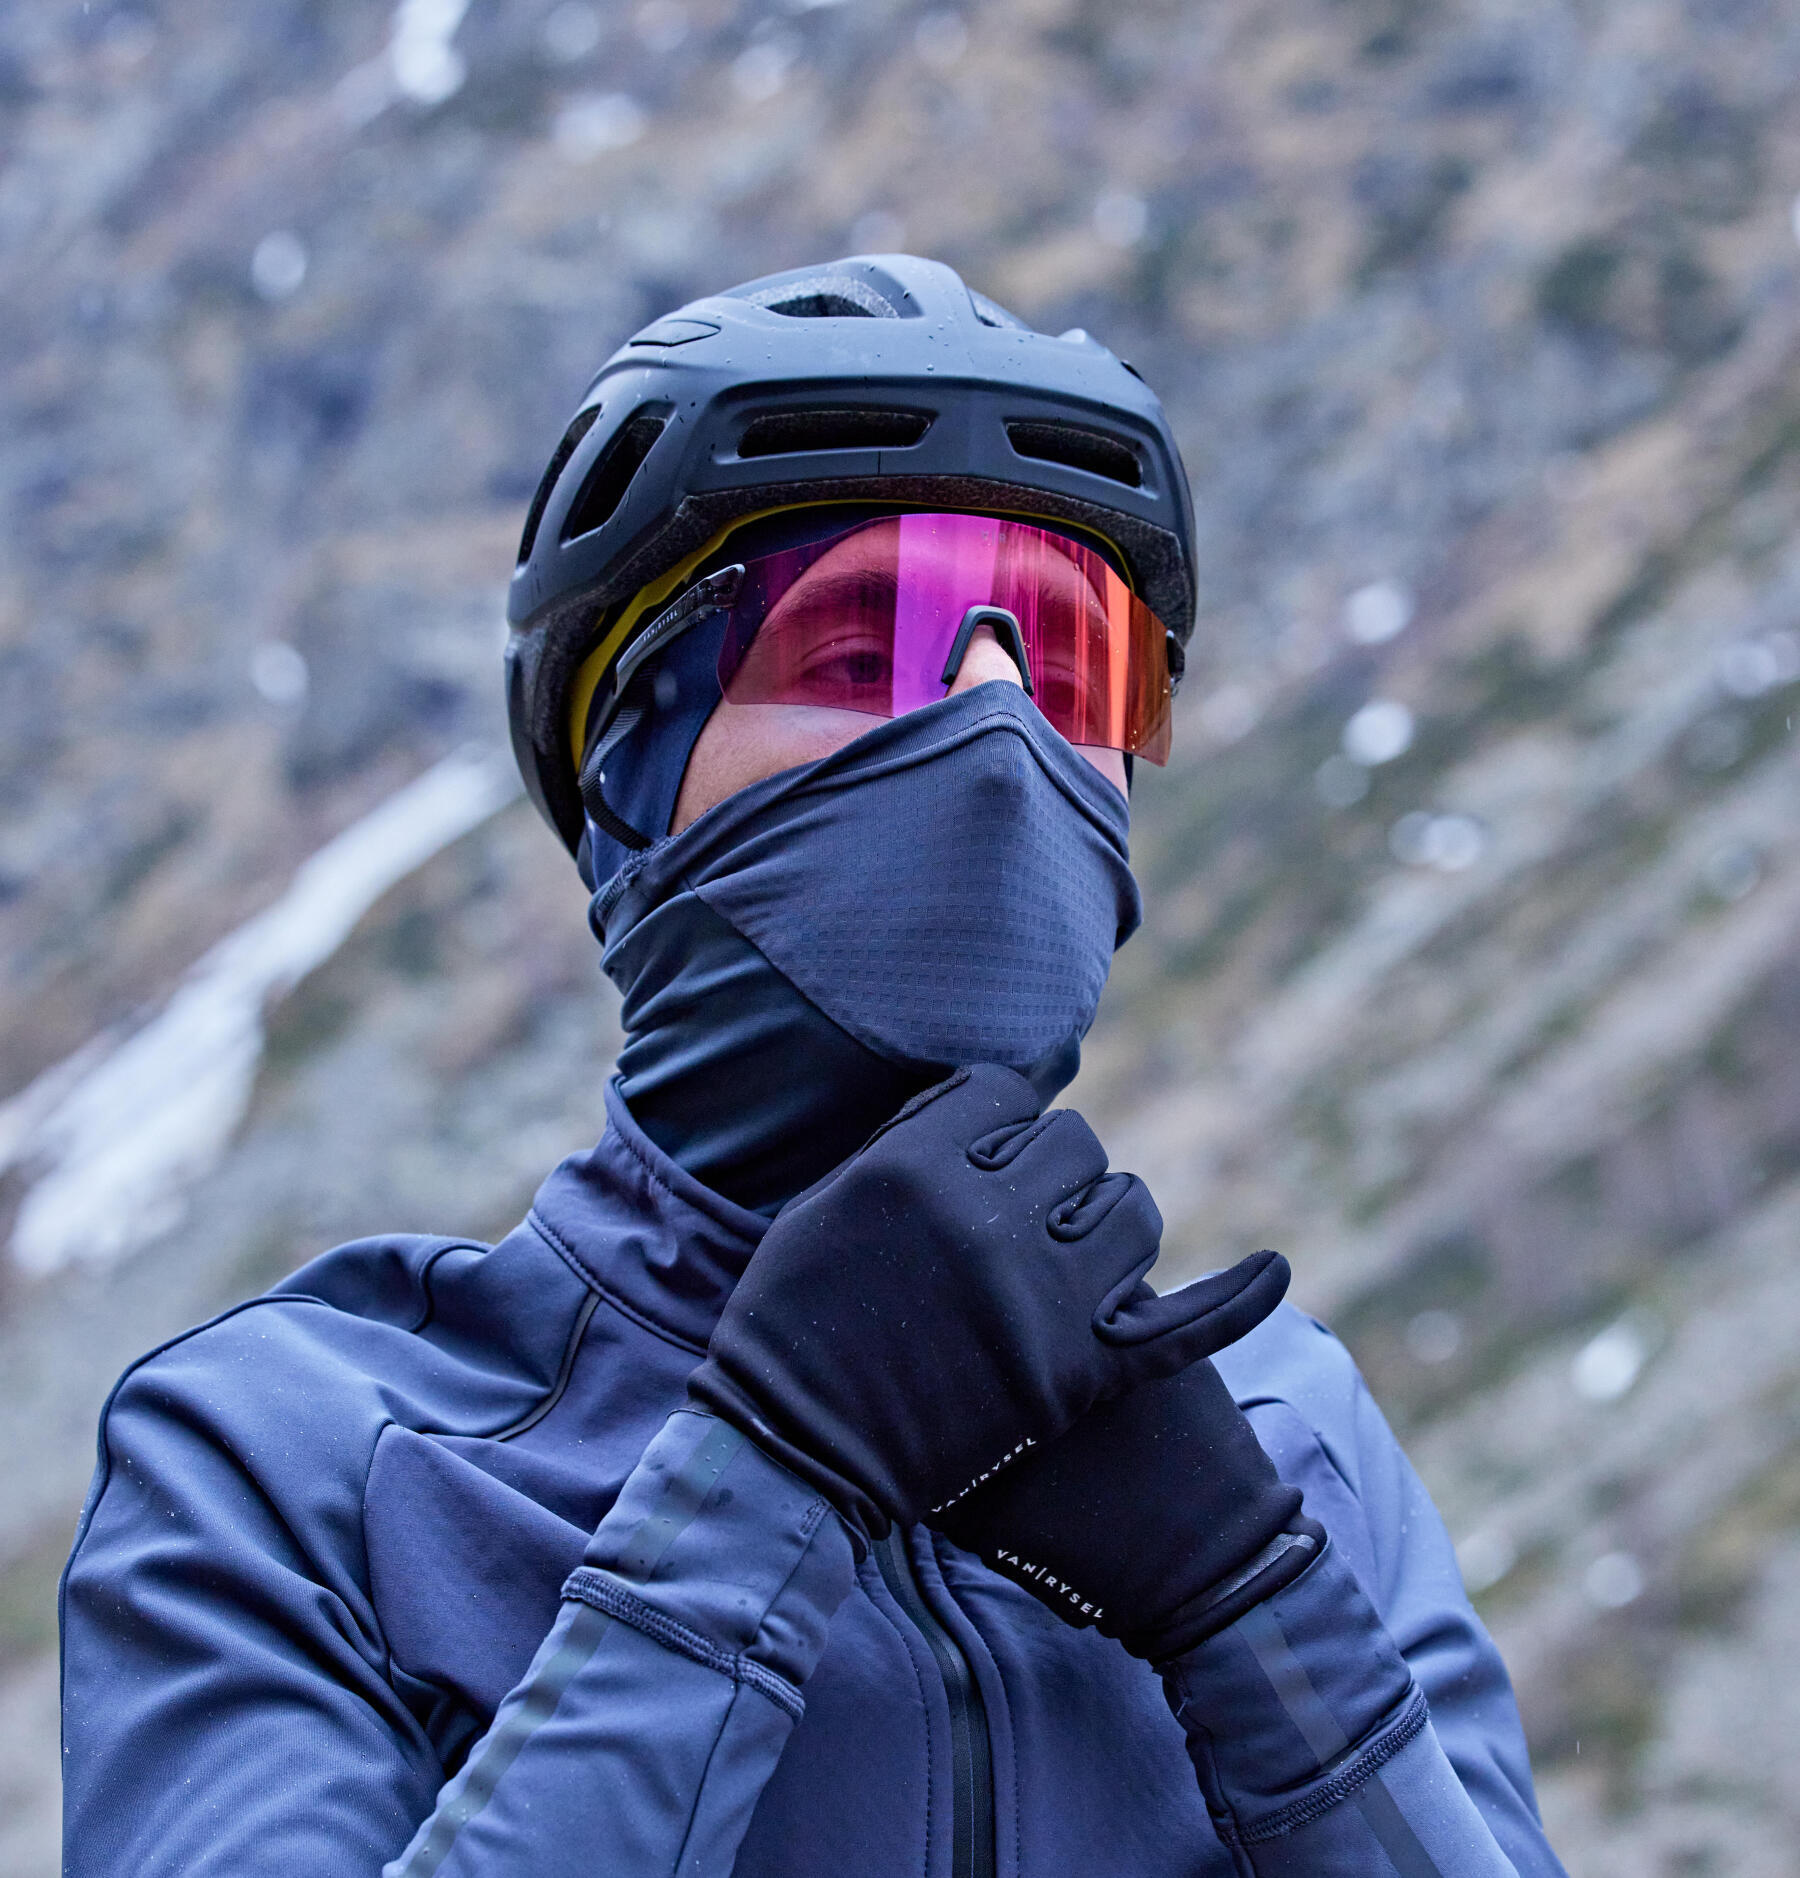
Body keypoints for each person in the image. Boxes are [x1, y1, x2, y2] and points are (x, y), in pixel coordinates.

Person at [60, 255, 1566, 1877]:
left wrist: (1258, 1619)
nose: (1002, 738)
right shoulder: (298, 1460)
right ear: (632, 785)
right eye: (868, 654)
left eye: (1075, 674)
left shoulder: (1288, 1437)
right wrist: (765, 1474)